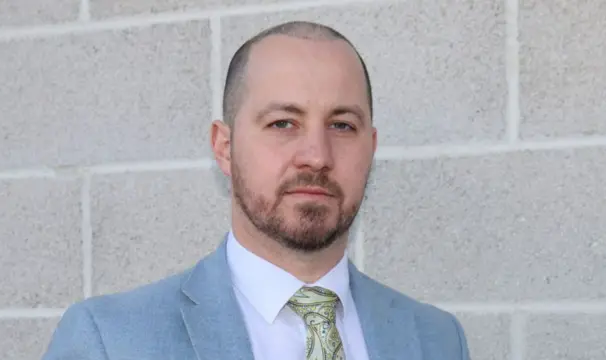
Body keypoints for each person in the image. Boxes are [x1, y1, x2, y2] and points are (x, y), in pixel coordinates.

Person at [42, 20, 470, 360]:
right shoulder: (109, 342)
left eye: (342, 125)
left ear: (370, 148)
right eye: (283, 123)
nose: (316, 155)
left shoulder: (437, 340)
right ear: (224, 148)